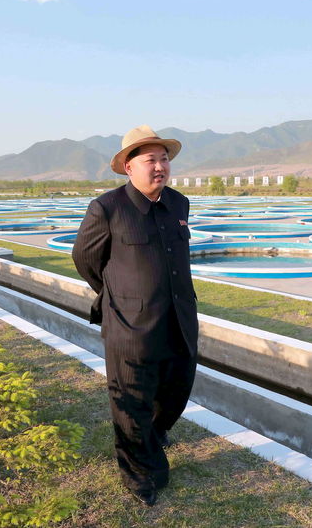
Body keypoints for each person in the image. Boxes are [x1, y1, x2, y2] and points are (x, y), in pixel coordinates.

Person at [72, 125, 198, 507]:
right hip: (130, 325)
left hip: (179, 319)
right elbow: (86, 260)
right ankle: (139, 473)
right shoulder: (107, 207)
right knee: (131, 401)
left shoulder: (178, 204)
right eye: (150, 160)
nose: (159, 167)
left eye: (164, 159)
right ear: (128, 167)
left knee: (177, 389)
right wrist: (119, 296)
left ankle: (155, 433)